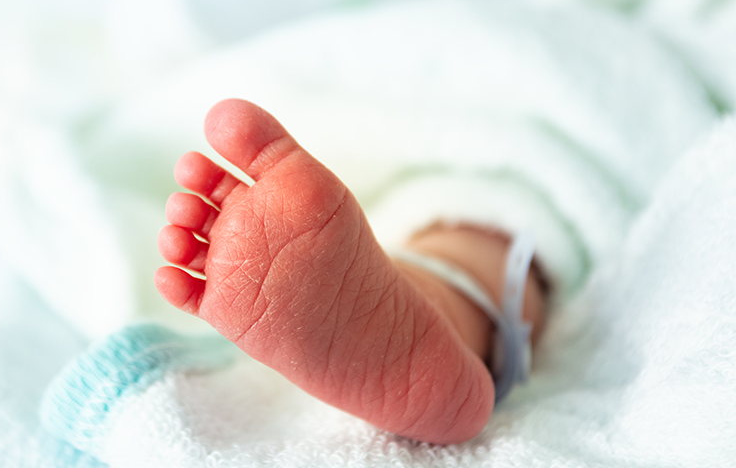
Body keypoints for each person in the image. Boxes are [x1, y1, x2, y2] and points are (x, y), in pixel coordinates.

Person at [155, 98, 548, 444]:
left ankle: (427, 306)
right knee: (485, 232)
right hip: (466, 172)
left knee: (481, 228)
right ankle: (427, 304)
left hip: (416, 198)